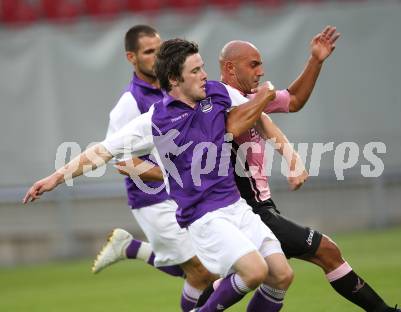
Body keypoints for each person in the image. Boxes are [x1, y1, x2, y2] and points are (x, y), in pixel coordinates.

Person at [23, 38, 294, 312]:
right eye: (196, 71)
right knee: (255, 271)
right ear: (175, 79)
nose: (204, 75)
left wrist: (290, 155)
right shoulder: (155, 121)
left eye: (202, 67)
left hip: (236, 206)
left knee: (282, 275)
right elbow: (103, 152)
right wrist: (55, 178)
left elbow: (257, 113)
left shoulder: (217, 93)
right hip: (204, 216)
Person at [197, 27, 401, 312]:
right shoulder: (223, 97)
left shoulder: (253, 96)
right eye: (253, 64)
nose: (261, 70)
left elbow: (293, 99)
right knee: (325, 251)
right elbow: (250, 123)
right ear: (230, 67)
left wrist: (315, 60)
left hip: (259, 206)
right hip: (248, 209)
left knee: (267, 276)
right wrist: (291, 157)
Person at [90, 25, 217, 311]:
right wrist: (174, 174)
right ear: (131, 58)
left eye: (159, 49)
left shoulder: (175, 88)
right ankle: (133, 248)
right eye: (148, 52)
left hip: (183, 195)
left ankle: (132, 248)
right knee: (202, 272)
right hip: (153, 200)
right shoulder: (130, 103)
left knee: (211, 263)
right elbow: (122, 161)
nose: (156, 56)